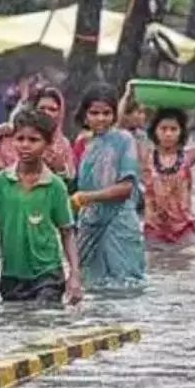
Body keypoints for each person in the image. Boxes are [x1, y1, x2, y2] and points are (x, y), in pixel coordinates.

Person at [0, 107, 83, 305]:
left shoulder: (55, 186)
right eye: (20, 139)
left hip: (48, 274)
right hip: (12, 276)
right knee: (16, 326)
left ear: (47, 144)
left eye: (33, 140)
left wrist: (75, 275)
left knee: (44, 319)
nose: (25, 146)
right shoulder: (1, 182)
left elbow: (67, 232)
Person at [70, 85, 147, 289]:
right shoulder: (87, 146)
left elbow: (126, 188)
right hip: (90, 226)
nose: (101, 118)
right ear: (85, 116)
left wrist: (88, 197)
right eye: (94, 113)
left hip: (118, 225)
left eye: (107, 113)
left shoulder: (123, 140)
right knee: (90, 286)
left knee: (125, 287)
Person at [144, 100, 195, 251]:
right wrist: (126, 97)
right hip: (154, 230)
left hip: (184, 230)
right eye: (163, 129)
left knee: (187, 270)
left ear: (181, 132)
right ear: (155, 131)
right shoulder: (146, 157)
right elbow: (118, 130)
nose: (168, 134)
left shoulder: (188, 156)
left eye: (173, 129)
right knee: (155, 271)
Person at [0, 85, 74, 181]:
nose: (46, 113)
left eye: (52, 109)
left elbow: (68, 182)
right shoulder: (12, 136)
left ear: (60, 113)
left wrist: (59, 168)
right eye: (42, 108)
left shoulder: (63, 145)